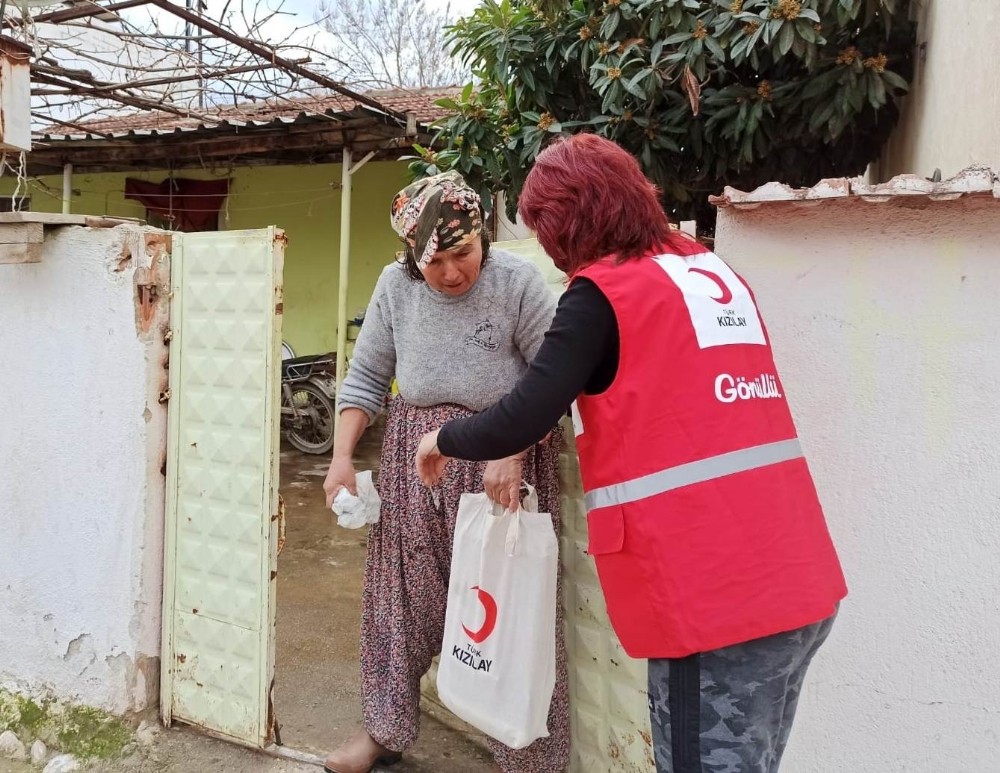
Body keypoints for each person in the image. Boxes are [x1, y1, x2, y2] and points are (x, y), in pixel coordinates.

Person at [415, 135, 847, 773]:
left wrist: (443, 439)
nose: (554, 255)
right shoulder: (710, 269)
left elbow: (529, 410)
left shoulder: (601, 297)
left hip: (714, 600)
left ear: (571, 223)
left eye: (548, 233)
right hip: (795, 578)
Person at [322, 171, 570, 773]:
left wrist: (511, 447)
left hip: (503, 460)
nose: (453, 272)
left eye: (463, 254)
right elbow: (366, 378)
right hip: (416, 457)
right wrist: (341, 457)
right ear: (412, 253)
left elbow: (555, 383)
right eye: (436, 261)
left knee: (511, 604)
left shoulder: (517, 283)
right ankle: (384, 728)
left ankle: (527, 754)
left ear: (483, 235)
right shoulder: (394, 287)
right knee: (399, 600)